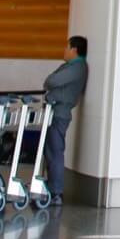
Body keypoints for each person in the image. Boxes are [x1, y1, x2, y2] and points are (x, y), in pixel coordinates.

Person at [41, 36, 88, 204]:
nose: (64, 50)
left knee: (55, 151)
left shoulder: (76, 68)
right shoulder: (70, 67)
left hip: (59, 114)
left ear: (74, 49)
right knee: (50, 151)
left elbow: (51, 80)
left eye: (67, 47)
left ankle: (56, 191)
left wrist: (50, 85)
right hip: (55, 112)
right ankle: (51, 187)